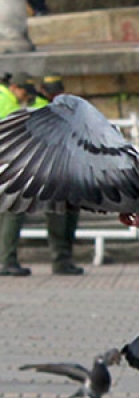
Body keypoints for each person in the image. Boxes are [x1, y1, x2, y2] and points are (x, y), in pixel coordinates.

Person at [0, 73, 82, 276]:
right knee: (13, 210)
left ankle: (61, 260)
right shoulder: (6, 100)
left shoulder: (38, 104)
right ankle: (7, 261)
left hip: (38, 164)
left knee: (60, 208)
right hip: (15, 164)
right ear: (15, 87)